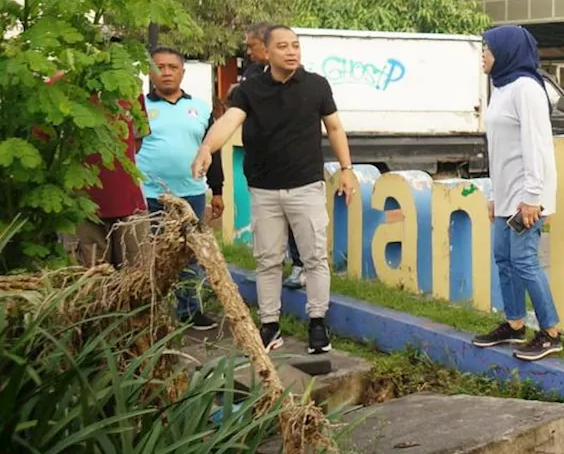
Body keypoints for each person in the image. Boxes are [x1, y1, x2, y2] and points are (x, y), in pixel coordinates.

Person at [192, 24, 359, 354]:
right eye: (283, 46)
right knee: (267, 260)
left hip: (306, 186)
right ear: (267, 53)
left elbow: (335, 127)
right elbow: (227, 122)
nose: (292, 51)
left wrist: (347, 169)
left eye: (296, 45)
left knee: (314, 259)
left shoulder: (316, 86)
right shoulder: (250, 91)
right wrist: (206, 149)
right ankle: (269, 326)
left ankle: (317, 325)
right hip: (265, 190)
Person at [469, 24, 562, 362]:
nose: (483, 54)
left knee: (523, 260)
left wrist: (532, 196)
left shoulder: (527, 89)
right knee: (503, 257)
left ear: (506, 51)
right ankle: (514, 324)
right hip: (508, 194)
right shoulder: (501, 87)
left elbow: (536, 146)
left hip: (529, 195)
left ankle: (551, 332)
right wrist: (497, 194)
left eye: (487, 48)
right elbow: (501, 149)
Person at [137, 47, 224, 330]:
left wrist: (218, 189)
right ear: (150, 72)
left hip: (191, 194)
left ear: (182, 72)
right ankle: (153, 313)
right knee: (152, 255)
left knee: (190, 253)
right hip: (150, 195)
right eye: (159, 67)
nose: (166, 72)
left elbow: (213, 151)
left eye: (172, 67)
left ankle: (190, 310)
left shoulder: (200, 108)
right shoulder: (140, 109)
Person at [239, 23, 306, 291]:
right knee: (267, 226)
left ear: (265, 49)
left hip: (292, 169)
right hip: (259, 168)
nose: (247, 51)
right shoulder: (254, 75)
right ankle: (270, 268)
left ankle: (300, 267)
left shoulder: (299, 79)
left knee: (295, 222)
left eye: (251, 46)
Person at [74, 92, 148, 270]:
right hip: (82, 207)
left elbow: (137, 140)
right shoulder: (63, 87)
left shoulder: (130, 88)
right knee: (91, 285)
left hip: (130, 204)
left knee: (138, 281)